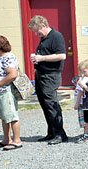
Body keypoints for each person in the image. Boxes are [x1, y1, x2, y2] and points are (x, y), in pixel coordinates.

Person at [28, 15, 68, 145]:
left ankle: (60, 134)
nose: (36, 34)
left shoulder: (56, 36)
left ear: (43, 25)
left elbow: (62, 55)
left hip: (51, 75)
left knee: (51, 104)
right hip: (41, 74)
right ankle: (51, 132)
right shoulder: (44, 38)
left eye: (36, 31)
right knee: (44, 104)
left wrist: (41, 58)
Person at [0, 35, 22, 151]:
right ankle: (6, 139)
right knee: (4, 116)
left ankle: (17, 141)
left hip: (5, 91)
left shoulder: (8, 58)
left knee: (11, 115)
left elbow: (12, 74)